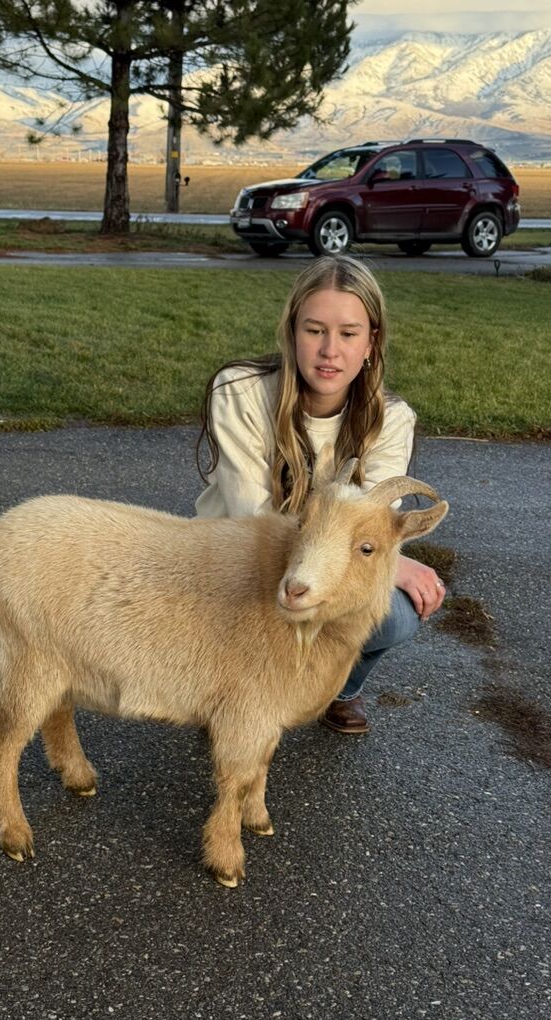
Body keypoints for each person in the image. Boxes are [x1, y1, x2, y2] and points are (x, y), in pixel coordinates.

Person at [195, 255, 446, 734]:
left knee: (395, 614)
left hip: (320, 573)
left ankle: (337, 688)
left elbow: (368, 527)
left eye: (349, 333)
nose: (330, 350)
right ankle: (234, 686)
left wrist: (388, 560)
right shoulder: (240, 391)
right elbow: (251, 516)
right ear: (292, 332)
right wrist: (393, 565)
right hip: (237, 561)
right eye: (315, 330)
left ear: (371, 342)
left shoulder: (392, 419)